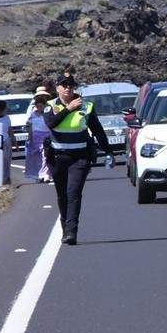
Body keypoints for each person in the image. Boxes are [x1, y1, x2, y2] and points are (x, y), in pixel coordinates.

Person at [42, 75, 116, 246]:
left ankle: (71, 232)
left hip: (80, 157)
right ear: (57, 88)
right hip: (58, 158)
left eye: (71, 85)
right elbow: (51, 123)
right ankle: (64, 228)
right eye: (64, 85)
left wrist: (108, 152)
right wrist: (68, 109)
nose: (68, 88)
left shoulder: (87, 106)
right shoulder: (50, 106)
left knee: (73, 193)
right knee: (62, 196)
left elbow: (97, 130)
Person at [23, 84, 53, 183]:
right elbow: (29, 124)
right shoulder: (31, 110)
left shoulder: (50, 108)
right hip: (36, 137)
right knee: (36, 157)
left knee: (46, 155)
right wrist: (30, 137)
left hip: (47, 136)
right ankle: (38, 175)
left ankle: (46, 174)